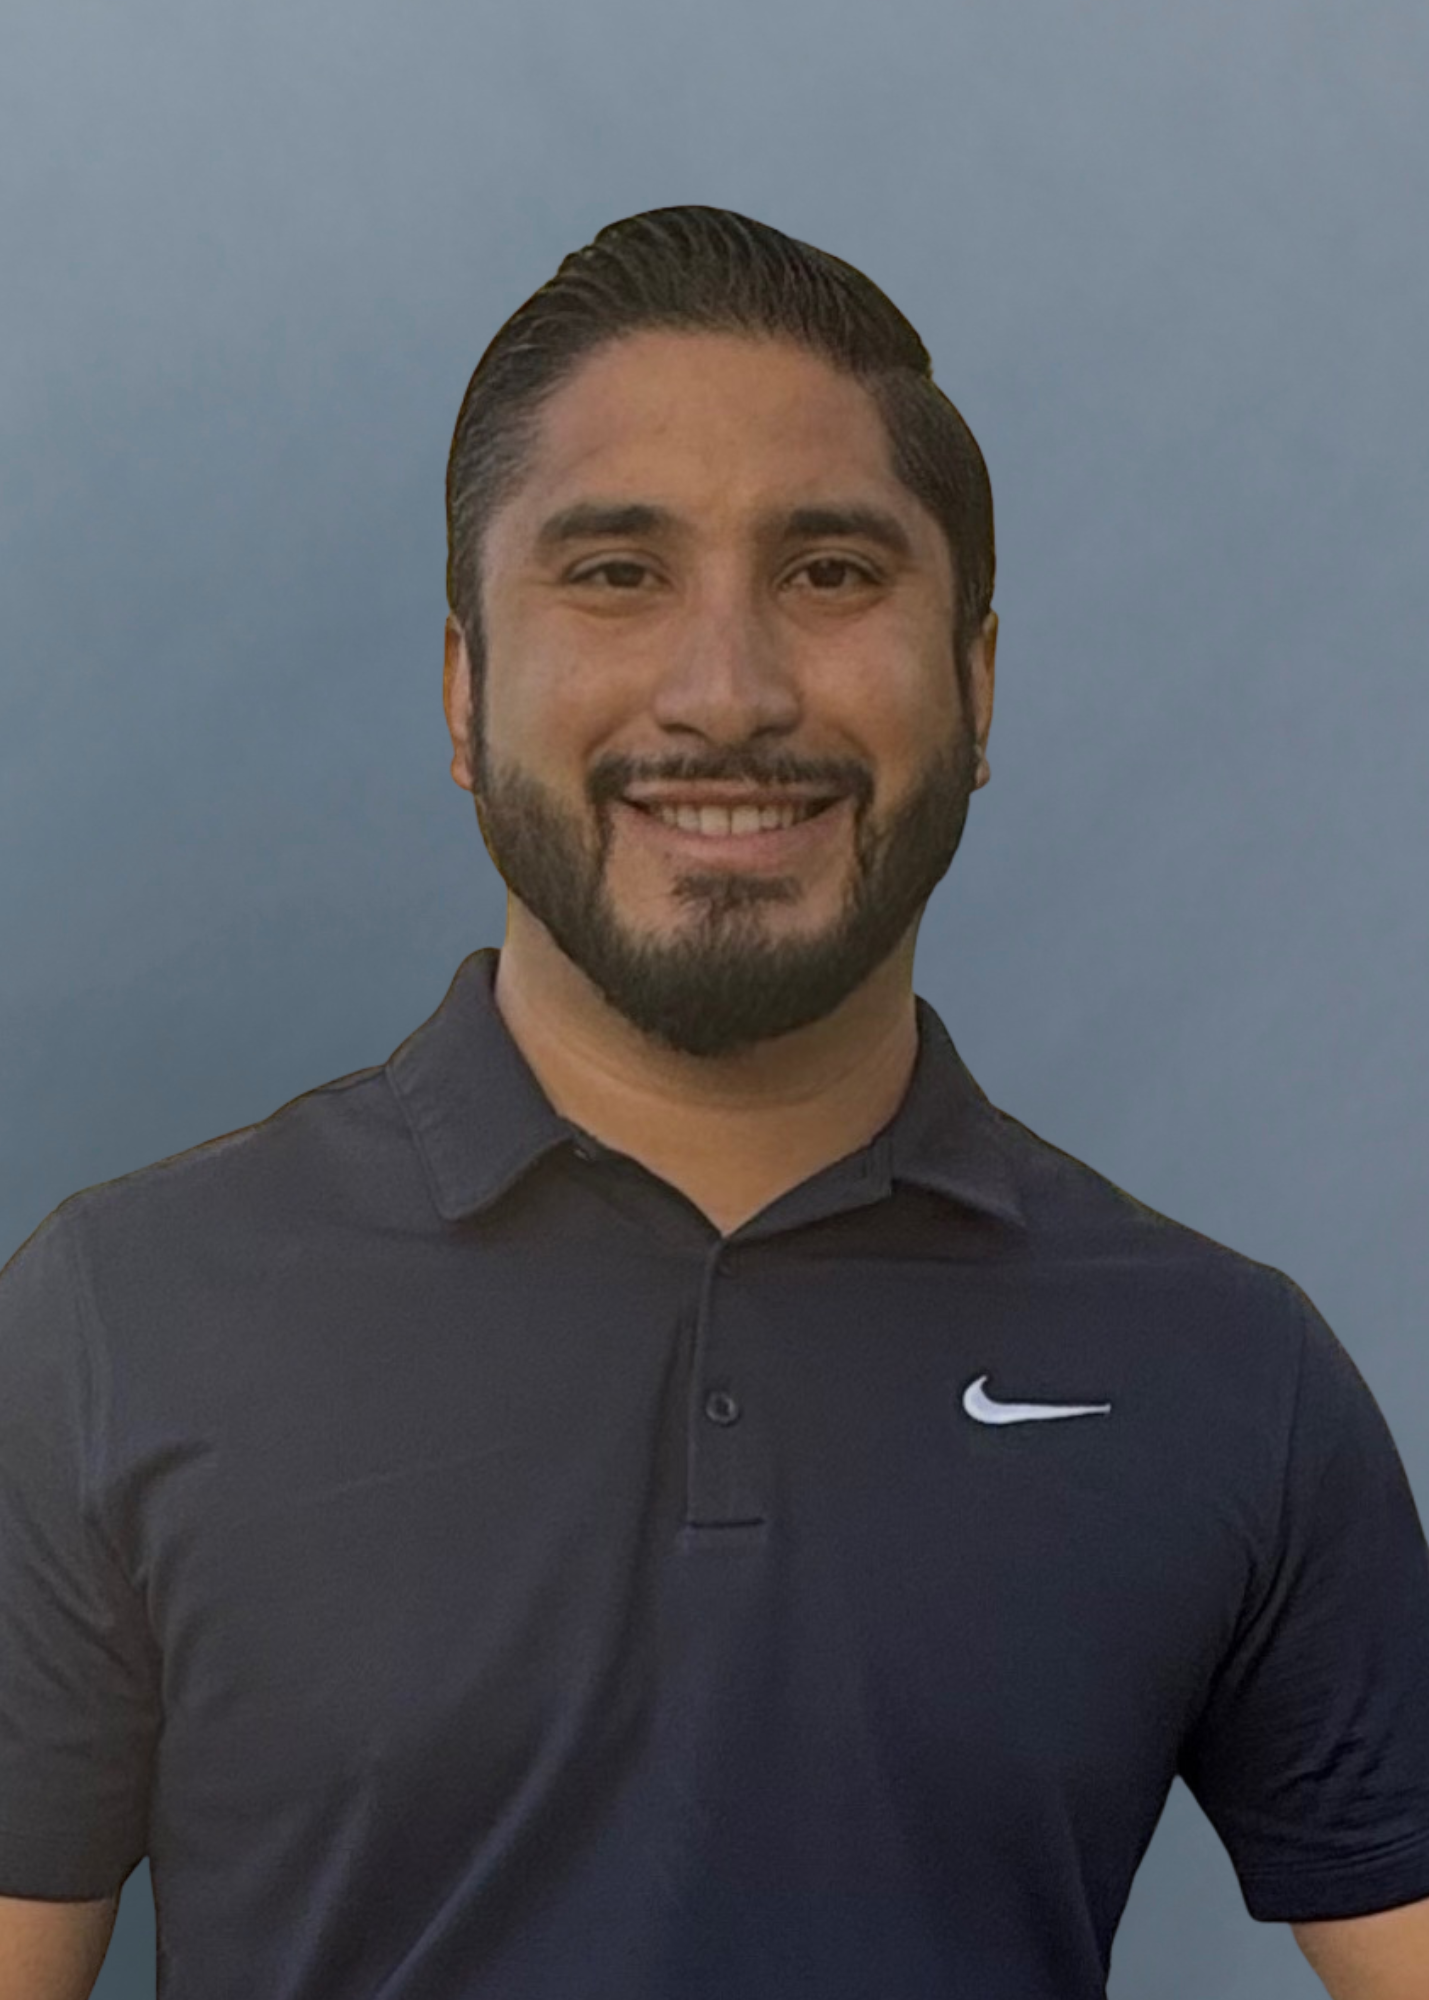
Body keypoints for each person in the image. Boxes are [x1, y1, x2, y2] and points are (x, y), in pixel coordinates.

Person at [1, 205, 1427, 2000]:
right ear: (466, 691)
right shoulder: (114, 1328)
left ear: (976, 686)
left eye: (832, 573)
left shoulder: (1230, 1376)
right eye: (615, 573)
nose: (728, 691)